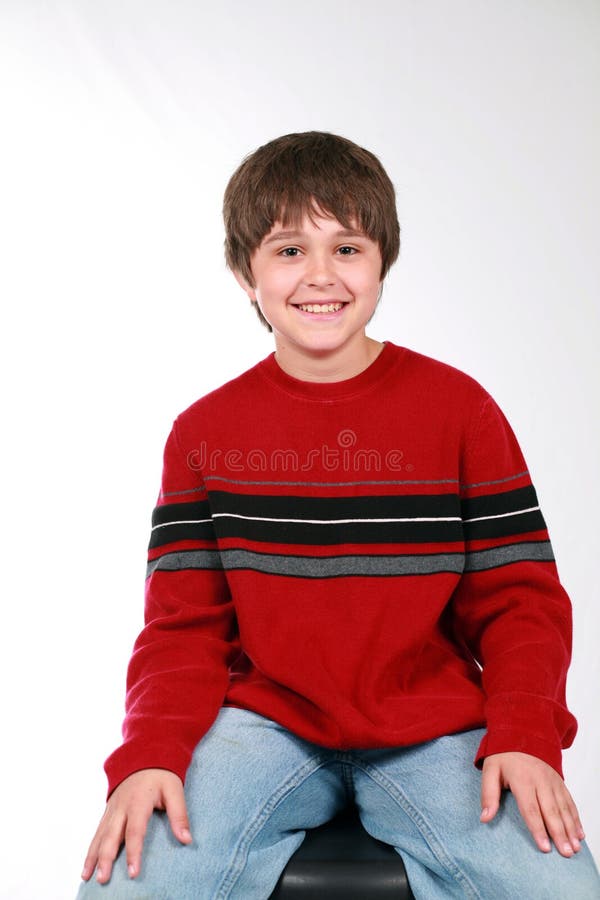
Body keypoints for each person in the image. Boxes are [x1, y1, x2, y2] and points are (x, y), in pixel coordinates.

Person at [77, 131, 600, 899]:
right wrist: (152, 752)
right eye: (289, 250)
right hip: (264, 728)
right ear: (242, 272)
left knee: (560, 886)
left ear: (382, 260)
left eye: (346, 248)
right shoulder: (203, 432)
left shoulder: (461, 411)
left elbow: (521, 602)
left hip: (435, 731)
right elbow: (182, 627)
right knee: (127, 883)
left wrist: (523, 733)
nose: (320, 276)